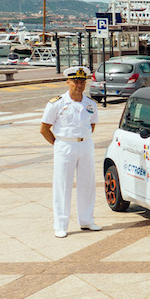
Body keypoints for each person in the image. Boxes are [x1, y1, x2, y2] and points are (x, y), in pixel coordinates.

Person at [39, 66, 101, 238]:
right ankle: (60, 224)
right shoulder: (57, 103)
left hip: (85, 145)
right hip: (65, 146)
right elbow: (44, 128)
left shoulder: (90, 104)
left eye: (82, 81)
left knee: (87, 184)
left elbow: (92, 126)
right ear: (67, 82)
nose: (79, 85)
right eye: (75, 81)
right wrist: (58, 143)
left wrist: (81, 139)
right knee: (63, 185)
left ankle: (87, 220)